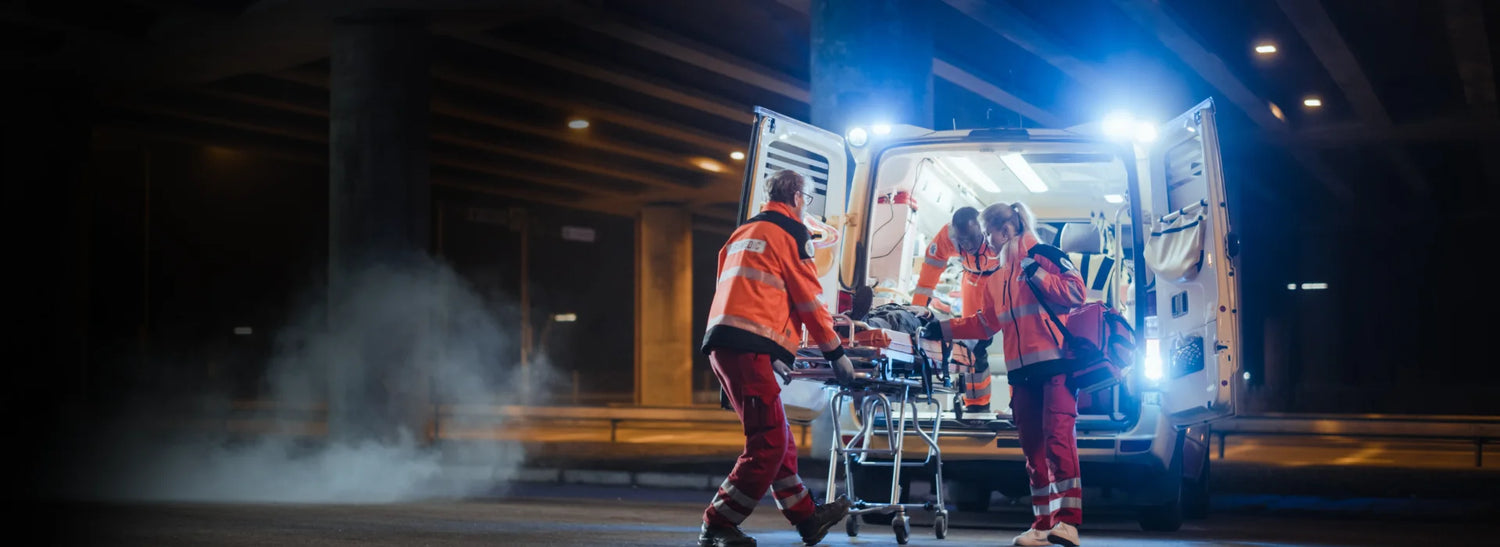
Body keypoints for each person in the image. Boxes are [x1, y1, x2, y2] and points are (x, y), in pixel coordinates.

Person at [698, 169, 854, 547]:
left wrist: (774, 350)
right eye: (809, 200)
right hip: (748, 348)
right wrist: (836, 354)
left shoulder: (743, 233)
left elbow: (742, 292)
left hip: (726, 343)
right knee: (767, 442)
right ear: (798, 197)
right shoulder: (792, 234)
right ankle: (718, 523)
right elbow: (808, 301)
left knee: (780, 438)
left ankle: (806, 518)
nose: (808, 207)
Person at [921, 201, 1088, 547]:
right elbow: (984, 324)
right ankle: (1042, 525)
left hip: (1055, 368)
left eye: (991, 235)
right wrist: (943, 329)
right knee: (1033, 451)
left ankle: (1068, 523)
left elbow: (1076, 292)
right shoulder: (997, 277)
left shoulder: (1045, 254)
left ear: (1006, 229)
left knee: (1059, 442)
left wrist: (1037, 273)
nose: (989, 242)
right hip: (1021, 375)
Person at [911, 206, 1000, 414]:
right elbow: (931, 269)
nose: (967, 245)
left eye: (971, 239)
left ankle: (1019, 406)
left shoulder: (997, 233)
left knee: (1016, 344)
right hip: (973, 282)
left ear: (982, 229)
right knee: (973, 344)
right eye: (963, 241)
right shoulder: (949, 236)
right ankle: (977, 406)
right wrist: (918, 307)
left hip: (1001, 278)